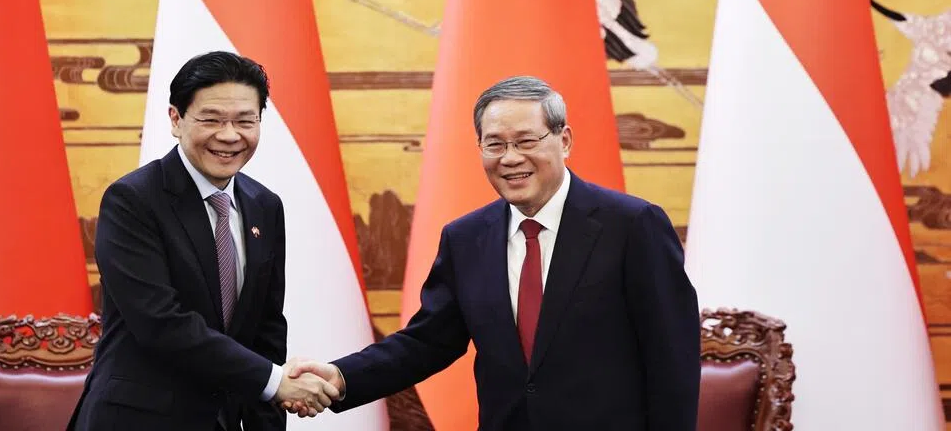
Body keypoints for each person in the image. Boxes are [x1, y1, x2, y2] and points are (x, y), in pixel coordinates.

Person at [286, 75, 701, 430]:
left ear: (565, 139)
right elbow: (427, 343)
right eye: (495, 144)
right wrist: (341, 377)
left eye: (526, 141)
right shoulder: (466, 238)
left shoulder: (632, 225)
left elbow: (673, 360)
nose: (511, 158)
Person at [68, 51, 339, 431]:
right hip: (140, 420)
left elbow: (266, 330)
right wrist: (276, 382)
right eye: (211, 119)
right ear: (176, 120)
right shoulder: (133, 200)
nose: (229, 136)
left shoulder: (264, 205)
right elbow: (162, 324)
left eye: (245, 121)